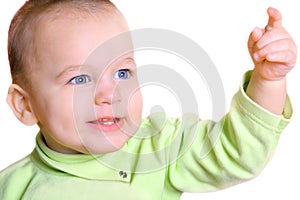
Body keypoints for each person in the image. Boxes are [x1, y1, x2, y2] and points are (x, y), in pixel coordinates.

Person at [0, 0, 296, 199]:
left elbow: (236, 152)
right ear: (25, 106)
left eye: (122, 73)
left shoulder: (159, 148)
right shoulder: (12, 188)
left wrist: (268, 81)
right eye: (80, 79)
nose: (109, 95)